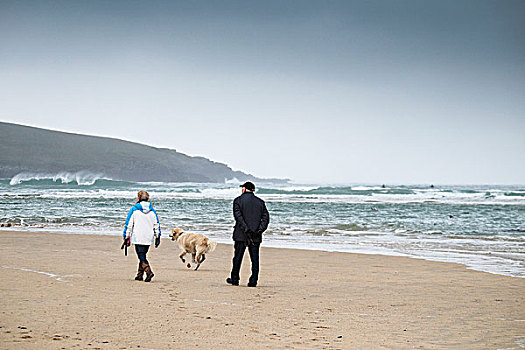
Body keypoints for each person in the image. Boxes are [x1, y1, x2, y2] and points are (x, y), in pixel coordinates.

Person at [227, 181, 270, 287]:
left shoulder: (238, 201)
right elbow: (266, 218)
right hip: (256, 235)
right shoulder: (260, 202)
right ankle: (253, 280)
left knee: (237, 257)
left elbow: (238, 217)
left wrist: (247, 229)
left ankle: (235, 279)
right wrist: (259, 230)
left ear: (244, 189)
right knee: (255, 259)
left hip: (241, 234)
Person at [123, 190, 161, 282]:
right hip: (149, 237)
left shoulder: (134, 210)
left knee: (141, 255)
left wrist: (126, 235)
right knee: (143, 254)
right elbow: (156, 224)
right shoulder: (152, 211)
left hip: (138, 236)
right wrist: (157, 236)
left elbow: (129, 224)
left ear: (138, 198)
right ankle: (139, 275)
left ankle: (148, 271)